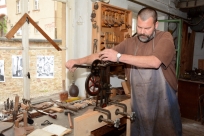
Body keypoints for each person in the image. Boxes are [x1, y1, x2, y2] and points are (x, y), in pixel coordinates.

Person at [65, 7, 182, 136]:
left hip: (163, 104)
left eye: (147, 28)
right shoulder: (130, 43)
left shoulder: (165, 38)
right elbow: (103, 55)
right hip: (140, 103)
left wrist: (119, 57)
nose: (142, 32)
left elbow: (154, 62)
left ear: (156, 25)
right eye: (139, 27)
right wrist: (78, 61)